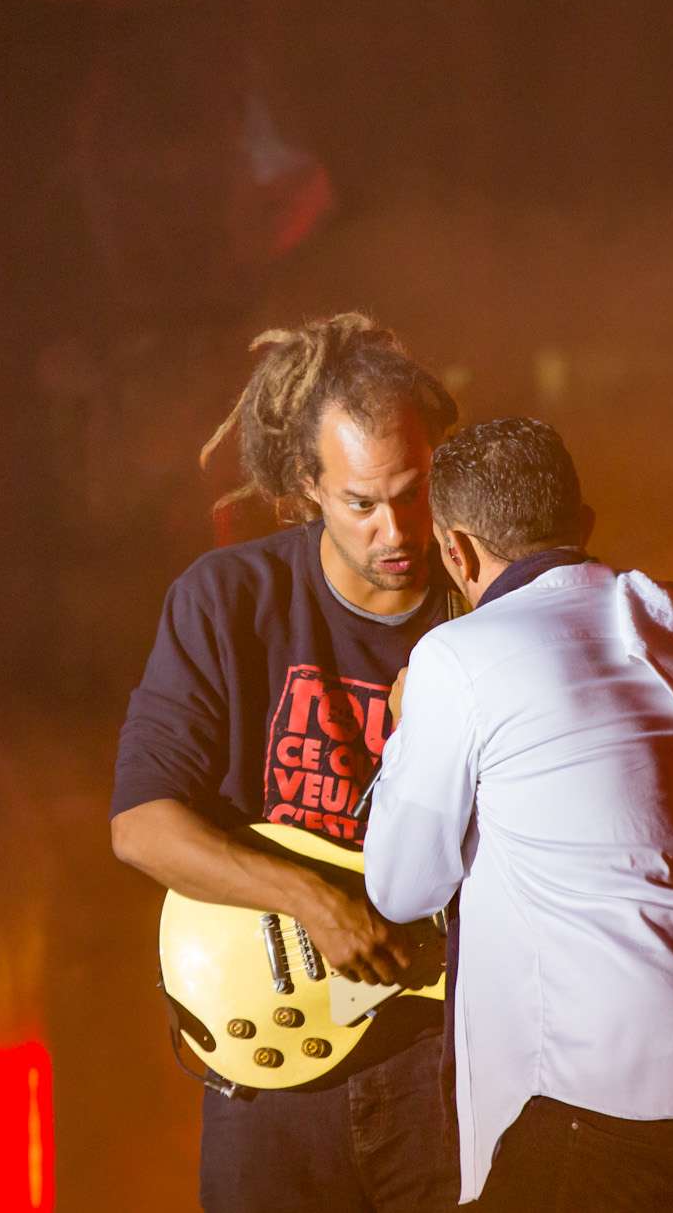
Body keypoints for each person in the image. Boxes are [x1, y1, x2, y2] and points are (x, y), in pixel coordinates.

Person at [363, 417, 673, 1211]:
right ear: (581, 523)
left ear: (457, 551)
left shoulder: (457, 656)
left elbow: (400, 886)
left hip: (608, 1098)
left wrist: (405, 728)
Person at [111, 312, 463, 1211]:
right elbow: (141, 826)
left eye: (415, 493)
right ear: (308, 486)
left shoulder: (480, 612)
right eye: (362, 503)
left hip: (442, 1062)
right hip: (275, 1069)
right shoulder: (228, 599)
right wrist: (316, 902)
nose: (397, 530)